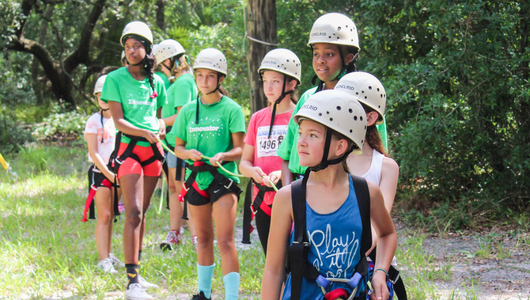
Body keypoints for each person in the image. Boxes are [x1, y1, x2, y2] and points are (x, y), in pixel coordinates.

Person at [261, 90, 397, 300]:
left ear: (340, 146)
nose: (301, 142)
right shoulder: (289, 197)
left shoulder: (367, 193)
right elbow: (273, 270)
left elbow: (387, 234)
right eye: (300, 133)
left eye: (313, 135)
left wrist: (380, 272)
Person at [277, 12, 389, 186]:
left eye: (329, 54)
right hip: (301, 188)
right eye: (316, 54)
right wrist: (289, 197)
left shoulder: (365, 101)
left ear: (348, 58)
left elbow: (379, 160)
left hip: (345, 191)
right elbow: (287, 156)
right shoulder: (308, 98)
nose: (320, 60)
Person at [101, 21, 167, 300]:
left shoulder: (158, 82)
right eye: (127, 47)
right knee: (134, 212)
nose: (131, 51)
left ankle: (138, 273)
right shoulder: (115, 79)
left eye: (136, 46)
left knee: (142, 215)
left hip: (154, 153)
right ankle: (131, 283)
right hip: (129, 151)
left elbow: (159, 116)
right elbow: (118, 121)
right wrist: (146, 132)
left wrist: (161, 127)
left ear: (147, 49)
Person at [173, 48, 246, 300]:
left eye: (210, 76)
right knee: (202, 239)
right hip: (197, 180)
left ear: (220, 79)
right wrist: (186, 154)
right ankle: (203, 294)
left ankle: (232, 297)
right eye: (200, 75)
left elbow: (240, 149)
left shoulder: (232, 109)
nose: (204, 81)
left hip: (224, 180)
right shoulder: (187, 111)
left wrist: (224, 156)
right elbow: (177, 146)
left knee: (225, 241)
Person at [336, 72, 407, 299]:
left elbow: (379, 224)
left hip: (371, 262)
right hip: (331, 259)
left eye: (347, 108)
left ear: (370, 117)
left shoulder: (386, 167)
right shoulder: (327, 162)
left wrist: (351, 257)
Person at [239, 48, 301, 254]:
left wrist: (284, 173)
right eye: (265, 81)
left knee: (292, 261)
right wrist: (252, 171)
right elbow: (244, 162)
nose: (269, 87)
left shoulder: (300, 117)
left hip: (292, 200)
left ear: (291, 83)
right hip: (262, 200)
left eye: (275, 81)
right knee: (272, 262)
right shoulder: (257, 118)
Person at [154, 39, 198, 250]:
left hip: (182, 143)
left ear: (170, 61)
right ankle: (175, 231)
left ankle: (194, 234)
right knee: (173, 187)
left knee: (182, 188)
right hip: (172, 143)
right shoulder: (177, 82)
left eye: (162, 64)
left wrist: (161, 123)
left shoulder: (182, 82)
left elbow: (182, 114)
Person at [82, 74, 124, 274]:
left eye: (108, 96)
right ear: (96, 97)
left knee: (113, 215)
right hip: (101, 175)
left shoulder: (120, 121)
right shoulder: (93, 122)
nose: (105, 100)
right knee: (104, 215)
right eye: (101, 96)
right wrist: (109, 174)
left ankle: (109, 254)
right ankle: (102, 260)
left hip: (119, 175)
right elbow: (93, 152)